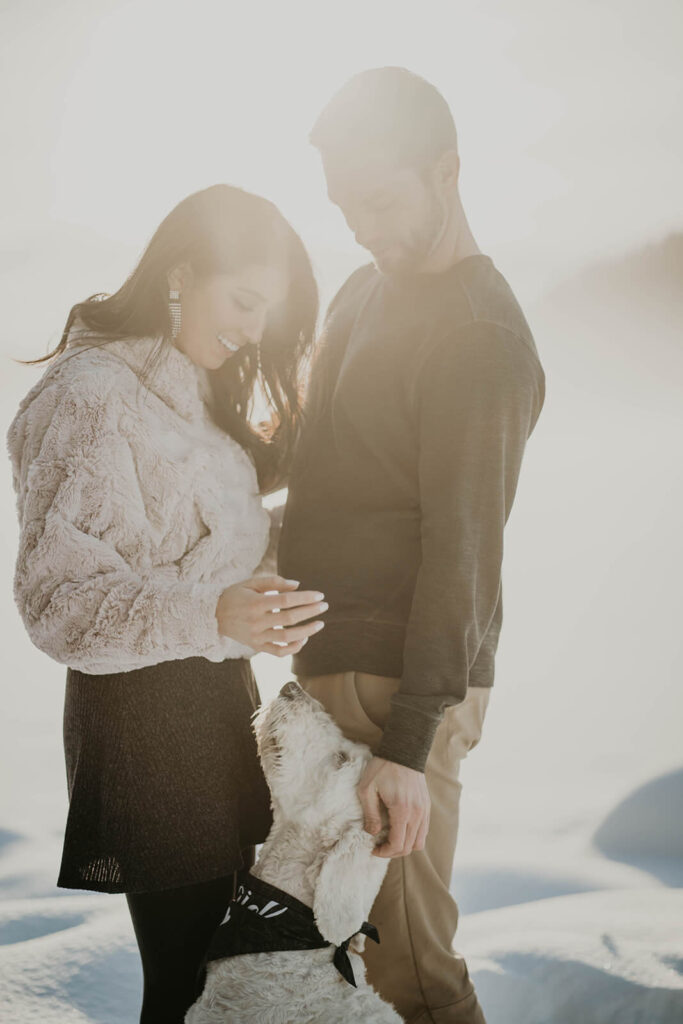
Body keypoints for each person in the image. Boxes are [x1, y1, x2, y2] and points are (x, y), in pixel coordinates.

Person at [6, 183, 328, 1024]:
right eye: (245, 300)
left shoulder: (193, 391)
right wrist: (214, 613)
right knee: (188, 988)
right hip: (144, 717)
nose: (254, 330)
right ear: (183, 273)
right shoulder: (93, 393)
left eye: (269, 312)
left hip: (218, 705)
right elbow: (58, 602)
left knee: (218, 986)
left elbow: (217, 552)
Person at [278, 68, 546, 1024]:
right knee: (339, 963)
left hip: (409, 696)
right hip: (334, 674)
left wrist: (407, 743)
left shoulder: (480, 340)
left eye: (380, 199)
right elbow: (325, 462)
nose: (360, 225)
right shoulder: (363, 288)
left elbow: (464, 557)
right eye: (344, 204)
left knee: (413, 974)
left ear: (448, 170)